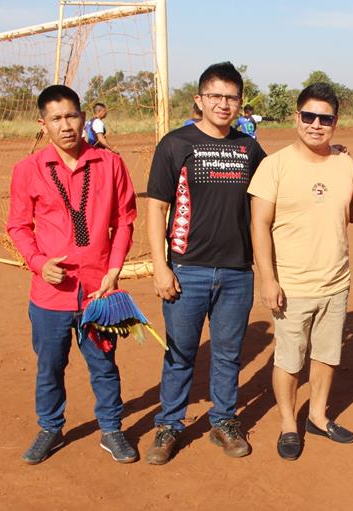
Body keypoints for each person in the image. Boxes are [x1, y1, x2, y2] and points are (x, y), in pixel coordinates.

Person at [7, 84, 138, 464]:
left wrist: (114, 270)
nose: (66, 126)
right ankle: (50, 427)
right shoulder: (27, 170)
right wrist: (37, 262)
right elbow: (18, 226)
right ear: (42, 123)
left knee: (103, 364)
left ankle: (112, 429)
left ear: (83, 117)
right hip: (49, 294)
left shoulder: (110, 163)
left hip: (99, 290)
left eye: (72, 116)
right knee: (50, 365)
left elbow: (124, 220)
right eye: (56, 118)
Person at [144, 62, 267, 465]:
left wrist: (327, 154)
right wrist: (160, 267)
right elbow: (157, 207)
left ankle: (223, 420)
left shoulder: (249, 148)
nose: (223, 104)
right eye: (215, 96)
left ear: (240, 102)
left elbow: (276, 187)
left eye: (231, 97)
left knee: (229, 352)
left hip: (236, 272)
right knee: (180, 352)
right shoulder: (176, 144)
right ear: (199, 100)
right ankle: (170, 425)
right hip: (186, 269)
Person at [250, 83, 353, 461]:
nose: (316, 125)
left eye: (324, 118)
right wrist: (268, 279)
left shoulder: (346, 164)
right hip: (291, 285)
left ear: (335, 122)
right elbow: (259, 225)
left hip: (336, 281)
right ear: (297, 118)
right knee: (289, 359)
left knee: (327, 355)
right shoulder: (273, 166)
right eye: (308, 116)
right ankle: (287, 424)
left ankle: (317, 416)